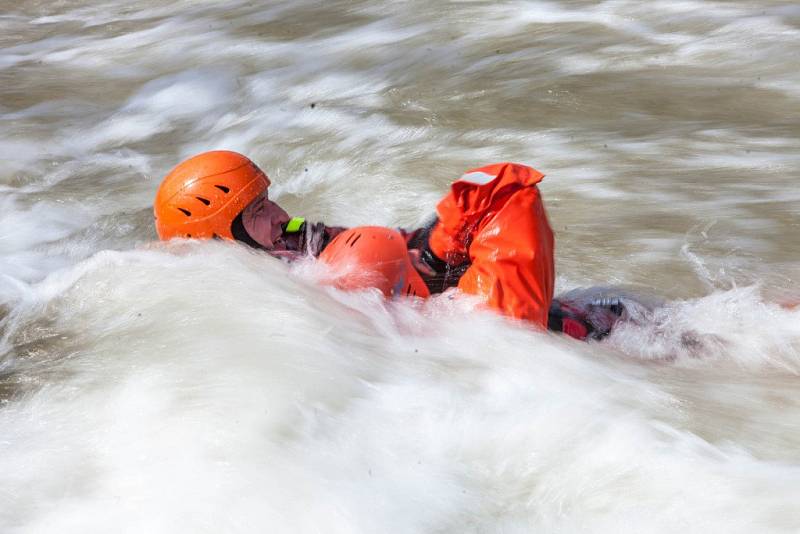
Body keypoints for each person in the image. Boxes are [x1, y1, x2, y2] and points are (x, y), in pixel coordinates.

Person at [154, 150, 624, 337]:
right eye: (256, 211)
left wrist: (432, 253)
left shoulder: (287, 240)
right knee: (505, 188)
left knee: (480, 194)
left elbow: (389, 246)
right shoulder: (255, 301)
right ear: (221, 238)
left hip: (461, 311)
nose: (279, 215)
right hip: (478, 338)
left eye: (267, 200)